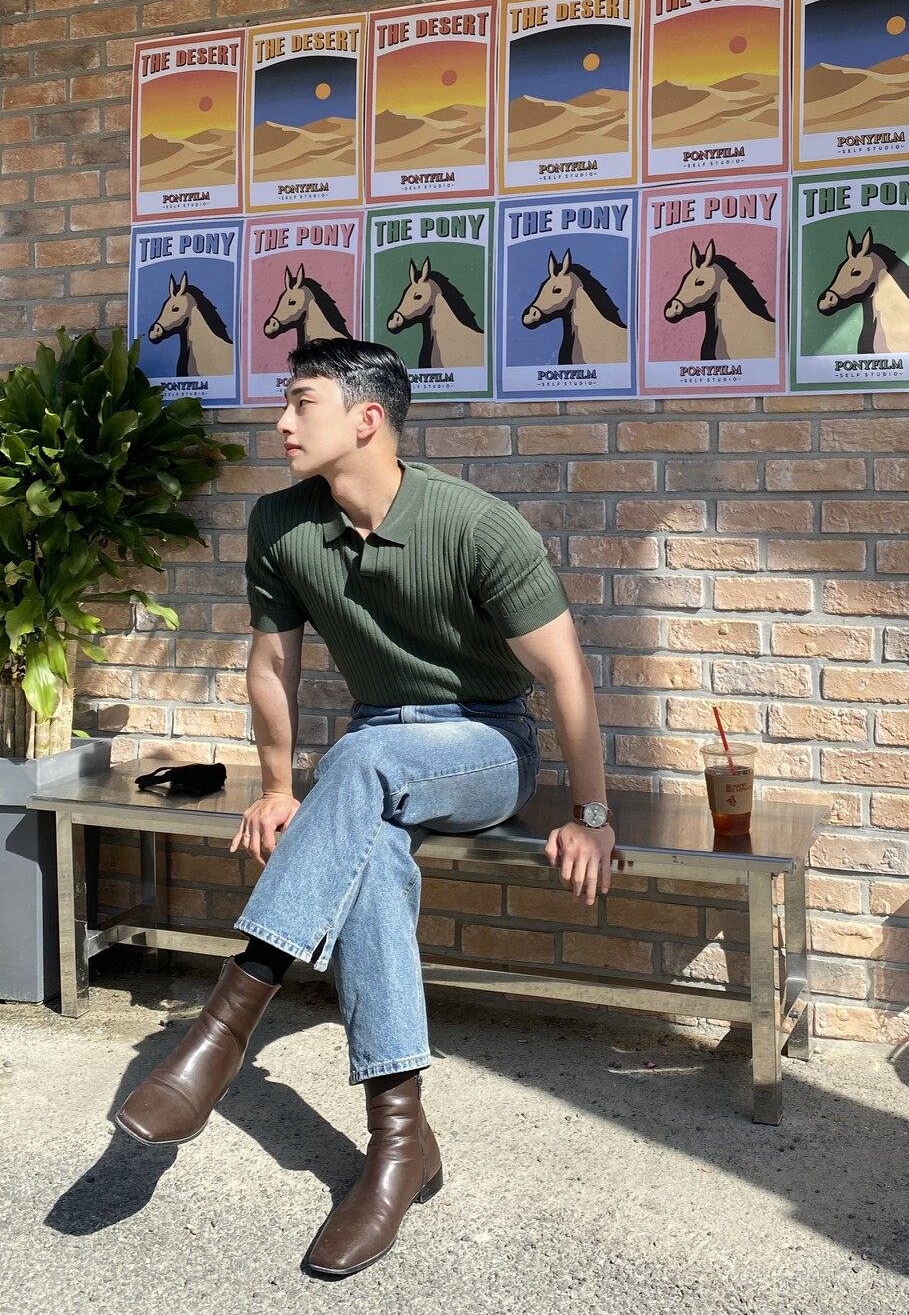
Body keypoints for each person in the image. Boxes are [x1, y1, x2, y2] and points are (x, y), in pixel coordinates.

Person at [115, 338, 617, 1278]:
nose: (281, 421)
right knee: (375, 851)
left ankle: (222, 1029)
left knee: (361, 756)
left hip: (485, 744)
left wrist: (592, 813)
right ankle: (400, 1144)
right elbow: (273, 664)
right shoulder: (282, 522)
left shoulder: (476, 526)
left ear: (367, 418)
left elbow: (564, 673)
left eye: (301, 402)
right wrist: (275, 786)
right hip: (376, 758)